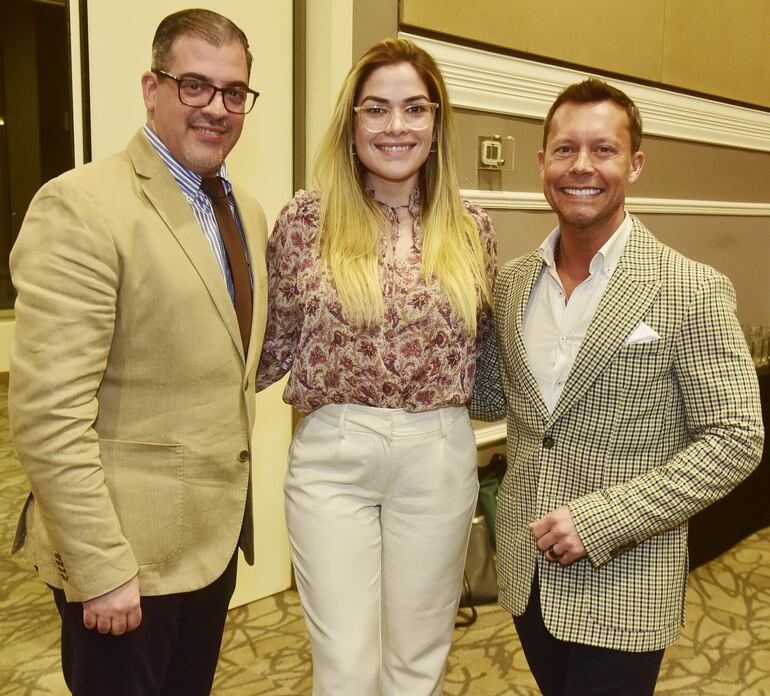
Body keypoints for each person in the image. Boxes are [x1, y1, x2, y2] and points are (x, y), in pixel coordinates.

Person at [470, 78, 764, 696]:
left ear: (634, 165)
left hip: (626, 583)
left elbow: (737, 437)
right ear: (542, 162)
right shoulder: (513, 283)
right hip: (528, 574)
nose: (582, 166)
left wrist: (602, 520)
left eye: (603, 149)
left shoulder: (690, 288)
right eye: (565, 149)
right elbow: (491, 399)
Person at [9, 9, 267, 696]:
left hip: (209, 547)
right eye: (195, 85)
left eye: (233, 91)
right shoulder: (81, 206)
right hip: (124, 564)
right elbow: (48, 415)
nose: (216, 107)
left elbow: (228, 363)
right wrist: (100, 567)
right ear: (152, 88)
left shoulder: (245, 211)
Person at [256, 38, 496, 696]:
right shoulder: (305, 221)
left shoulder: (472, 227)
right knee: (346, 665)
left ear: (437, 121)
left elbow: (486, 350)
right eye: (377, 108)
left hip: (437, 453)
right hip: (333, 455)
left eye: (415, 108)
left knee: (418, 661)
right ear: (352, 120)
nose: (396, 126)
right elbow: (267, 346)